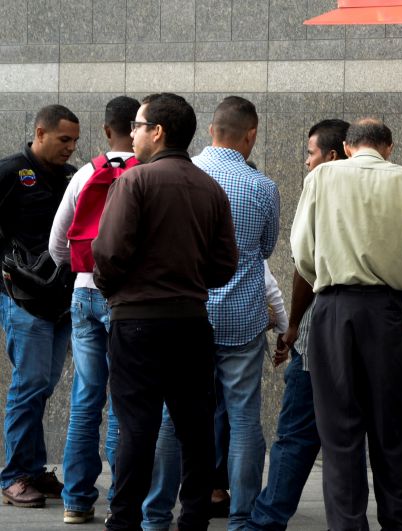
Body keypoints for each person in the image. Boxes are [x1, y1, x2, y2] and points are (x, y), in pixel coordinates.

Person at [93, 92, 237, 531]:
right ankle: (193, 520)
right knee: (195, 429)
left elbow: (108, 254)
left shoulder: (133, 182)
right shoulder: (211, 189)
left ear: (157, 132)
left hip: (136, 322)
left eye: (137, 126)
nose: (133, 133)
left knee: (137, 428)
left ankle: (124, 521)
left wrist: (114, 289)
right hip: (191, 323)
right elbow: (224, 266)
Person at [141, 95, 280, 531]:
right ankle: (242, 518)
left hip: (187, 311)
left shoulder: (183, 175)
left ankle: (155, 515)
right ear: (250, 135)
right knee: (243, 418)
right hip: (242, 316)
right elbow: (266, 248)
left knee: (171, 416)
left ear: (210, 130)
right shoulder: (262, 187)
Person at [290, 118, 402, 531]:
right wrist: (396, 301)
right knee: (391, 427)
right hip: (386, 311)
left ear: (349, 147)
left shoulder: (321, 178)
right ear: (389, 148)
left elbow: (302, 252)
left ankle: (348, 525)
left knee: (339, 431)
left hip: (332, 307)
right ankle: (399, 522)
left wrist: (328, 282)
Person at [248, 118, 350, 531]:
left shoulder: (319, 190)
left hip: (319, 330)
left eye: (310, 153)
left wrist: (292, 325)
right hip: (373, 329)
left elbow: (303, 266)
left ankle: (267, 519)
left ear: (331, 155)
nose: (306, 162)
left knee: (296, 432)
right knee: (354, 437)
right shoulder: (387, 192)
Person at [48, 95, 138, 524]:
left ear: (105, 129)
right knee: (122, 400)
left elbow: (57, 245)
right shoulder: (146, 173)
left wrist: (83, 268)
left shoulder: (85, 173)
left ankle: (76, 501)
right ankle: (121, 499)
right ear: (140, 129)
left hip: (84, 292)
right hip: (127, 298)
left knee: (85, 398)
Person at [0, 103, 80, 508]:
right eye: (64, 139)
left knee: (42, 387)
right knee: (29, 385)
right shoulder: (10, 172)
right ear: (40, 133)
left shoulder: (70, 176)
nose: (70, 147)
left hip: (61, 302)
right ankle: (14, 476)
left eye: (75, 141)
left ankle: (32, 470)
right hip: (23, 301)